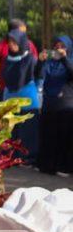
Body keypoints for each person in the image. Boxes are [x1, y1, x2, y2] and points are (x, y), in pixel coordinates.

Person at [36, 36, 73, 176]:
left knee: (63, 137)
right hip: (49, 104)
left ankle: (63, 167)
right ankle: (47, 166)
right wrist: (40, 61)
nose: (58, 49)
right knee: (48, 136)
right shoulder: (50, 63)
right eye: (56, 46)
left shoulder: (69, 61)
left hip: (65, 105)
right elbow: (38, 75)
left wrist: (64, 58)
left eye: (62, 46)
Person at [2, 31, 40, 165]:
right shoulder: (7, 58)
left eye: (15, 42)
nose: (11, 45)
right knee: (11, 130)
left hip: (27, 98)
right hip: (10, 98)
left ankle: (28, 157)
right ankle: (10, 157)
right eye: (10, 42)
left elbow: (34, 76)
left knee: (27, 131)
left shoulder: (30, 58)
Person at [0, 19, 38, 90]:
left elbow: (36, 66)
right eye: (22, 32)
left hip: (25, 87)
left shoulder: (30, 45)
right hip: (5, 87)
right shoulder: (0, 47)